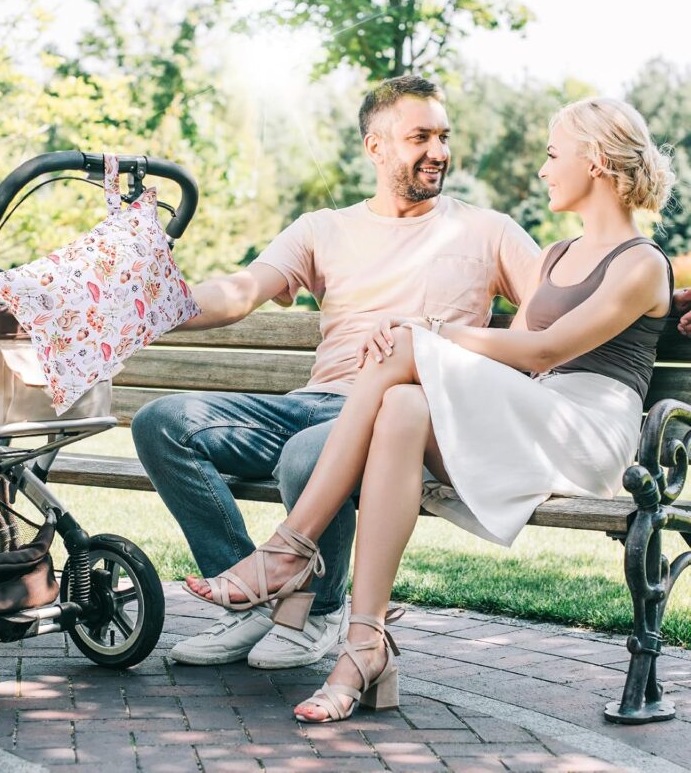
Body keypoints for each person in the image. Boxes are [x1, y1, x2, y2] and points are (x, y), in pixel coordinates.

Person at [184, 96, 676, 723]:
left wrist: (430, 332)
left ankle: (287, 550)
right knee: (404, 405)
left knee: (409, 348)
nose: (545, 170)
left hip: (587, 434)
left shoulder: (640, 262)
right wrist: (429, 353)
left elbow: (544, 349)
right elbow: (513, 362)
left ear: (598, 161)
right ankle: (363, 643)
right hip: (539, 413)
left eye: (554, 155)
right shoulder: (555, 256)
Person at [131, 75, 541, 669]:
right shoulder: (323, 228)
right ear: (376, 147)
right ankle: (251, 603)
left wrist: (462, 351)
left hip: (397, 416)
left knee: (307, 453)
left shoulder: (486, 230)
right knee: (162, 421)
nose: (439, 152)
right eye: (420, 136)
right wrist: (152, 306)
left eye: (444, 136)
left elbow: (552, 306)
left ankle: (318, 610)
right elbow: (241, 291)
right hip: (314, 401)